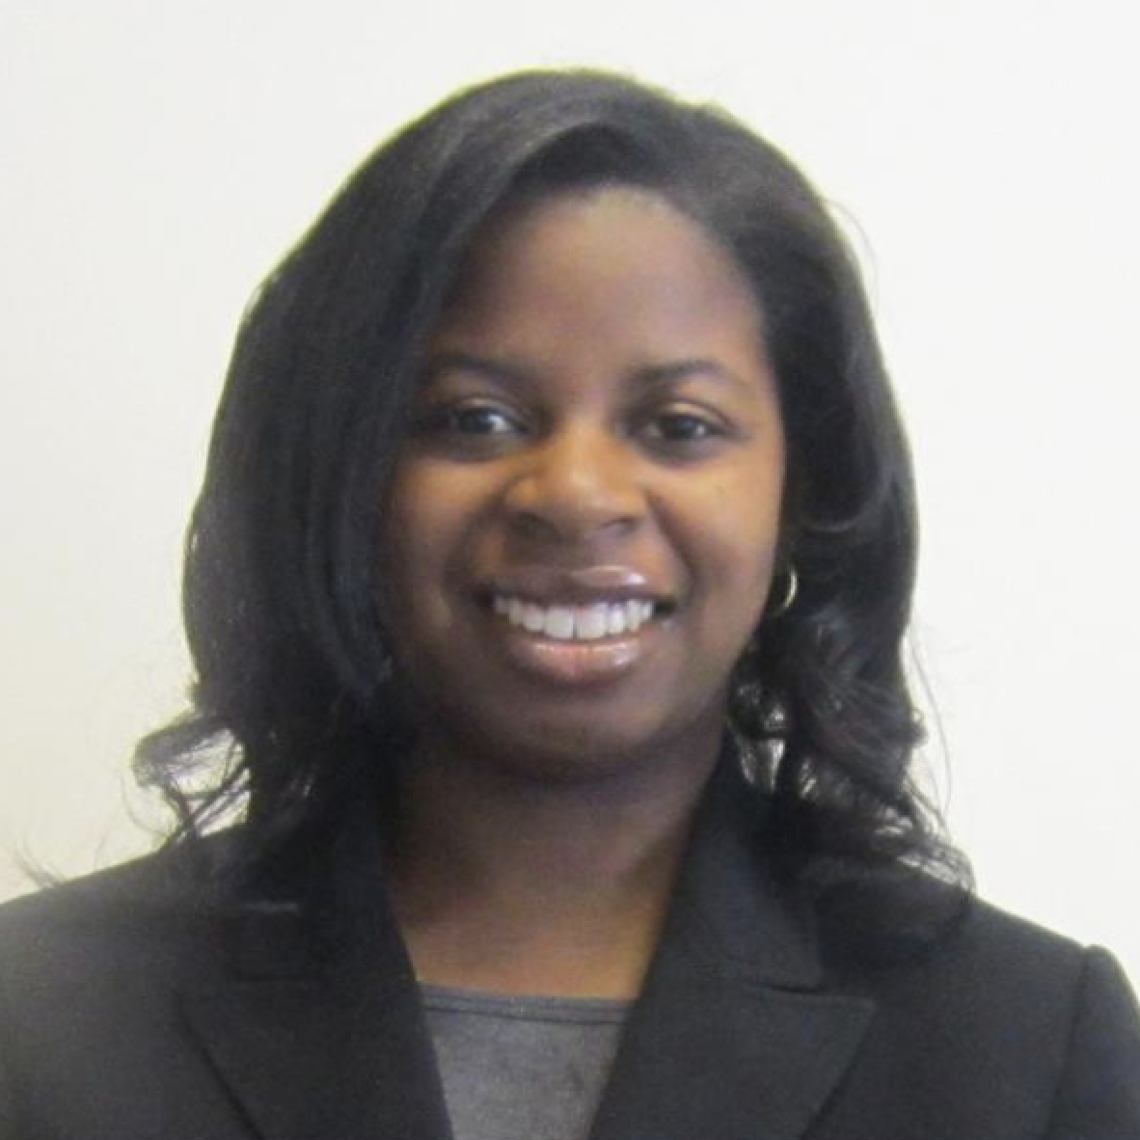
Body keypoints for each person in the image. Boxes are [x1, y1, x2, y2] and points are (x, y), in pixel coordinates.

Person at [1, 69, 1138, 1140]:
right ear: (341, 474)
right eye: (475, 418)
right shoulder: (40, 1023)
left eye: (680, 428)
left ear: (805, 498)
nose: (577, 495)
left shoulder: (1029, 1052)